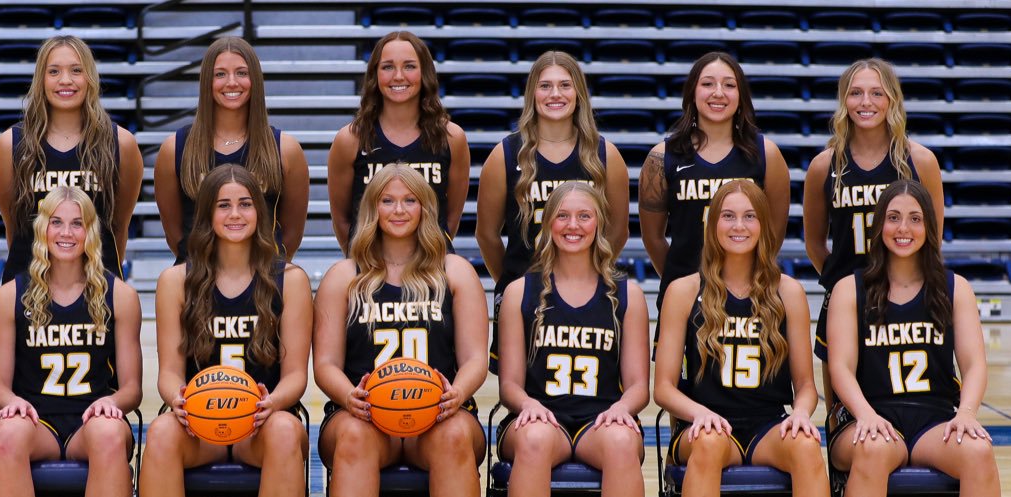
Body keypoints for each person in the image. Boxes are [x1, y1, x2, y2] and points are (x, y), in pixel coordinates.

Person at [314, 165, 489, 497]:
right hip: (362, 413)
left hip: (439, 412)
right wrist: (351, 397)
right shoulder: (344, 275)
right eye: (387, 201)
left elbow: (476, 358)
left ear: (425, 207)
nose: (398, 210)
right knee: (354, 434)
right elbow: (324, 364)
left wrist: (458, 394)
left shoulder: (455, 272)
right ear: (372, 208)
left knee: (454, 435)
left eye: (410, 200)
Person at [140, 165, 313, 497]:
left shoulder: (290, 280)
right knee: (161, 431)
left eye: (245, 204)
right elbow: (169, 374)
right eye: (223, 205)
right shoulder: (175, 281)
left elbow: (296, 377)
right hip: (199, 426)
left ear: (260, 213)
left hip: (262, 424)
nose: (235, 214)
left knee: (284, 432)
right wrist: (177, 400)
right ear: (207, 214)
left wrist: (271, 402)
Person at [653, 180, 827, 497]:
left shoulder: (788, 292)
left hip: (769, 425)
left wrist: (801, 413)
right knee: (709, 441)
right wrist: (698, 414)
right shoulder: (684, 290)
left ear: (763, 224)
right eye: (728, 216)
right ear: (712, 224)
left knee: (806, 444)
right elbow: (663, 388)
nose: (739, 226)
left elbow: (805, 386)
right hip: (703, 423)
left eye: (749, 216)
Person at [826, 180, 999, 497]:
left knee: (978, 451)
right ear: (879, 225)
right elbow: (840, 368)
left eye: (915, 219)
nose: (903, 228)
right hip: (866, 415)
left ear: (929, 227)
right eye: (893, 217)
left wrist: (967, 413)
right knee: (874, 447)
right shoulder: (849, 289)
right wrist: (866, 414)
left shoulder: (955, 288)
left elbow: (974, 365)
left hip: (933, 420)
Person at [0, 186, 142, 497]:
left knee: (109, 432)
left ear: (91, 232)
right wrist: (12, 403)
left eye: (77, 223)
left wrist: (112, 403)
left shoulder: (121, 296)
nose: (66, 233)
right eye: (56, 222)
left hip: (91, 420)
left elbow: (132, 389)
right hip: (36, 422)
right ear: (42, 228)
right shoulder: (9, 297)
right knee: (8, 432)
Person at [496, 182, 648, 497]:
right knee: (535, 438)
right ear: (549, 222)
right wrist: (527, 405)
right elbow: (509, 384)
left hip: (602, 420)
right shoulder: (518, 293)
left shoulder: (626, 294)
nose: (573, 225)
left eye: (584, 216)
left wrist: (622, 408)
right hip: (539, 416)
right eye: (563, 216)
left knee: (622, 442)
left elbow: (638, 386)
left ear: (599, 224)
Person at [803, 59, 944, 398]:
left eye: (876, 93)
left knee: (906, 407)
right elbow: (814, 243)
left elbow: (932, 240)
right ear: (843, 101)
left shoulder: (920, 161)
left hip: (904, 301)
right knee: (841, 413)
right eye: (855, 93)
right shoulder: (825, 165)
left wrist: (898, 286)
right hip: (844, 304)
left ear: (892, 100)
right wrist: (848, 288)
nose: (865, 102)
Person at [640, 51, 790, 312]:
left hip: (748, 295)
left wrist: (744, 279)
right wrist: (685, 283)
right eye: (707, 84)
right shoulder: (661, 158)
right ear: (692, 93)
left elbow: (773, 234)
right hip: (684, 299)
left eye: (729, 85)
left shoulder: (767, 154)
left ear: (741, 95)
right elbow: (653, 238)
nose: (718, 93)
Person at [0, 35, 144, 282]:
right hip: (28, 285)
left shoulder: (121, 143)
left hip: (98, 285)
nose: (65, 80)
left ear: (90, 78)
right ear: (41, 79)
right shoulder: (11, 144)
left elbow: (118, 227)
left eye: (76, 70)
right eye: (54, 71)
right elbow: (14, 227)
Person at [477, 50, 628, 294]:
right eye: (545, 85)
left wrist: (590, 275)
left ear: (578, 93)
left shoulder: (606, 155)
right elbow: (486, 235)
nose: (555, 94)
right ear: (532, 94)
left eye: (565, 85)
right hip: (522, 294)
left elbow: (618, 231)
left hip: (584, 293)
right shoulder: (504, 155)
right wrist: (514, 283)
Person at [154, 36, 309, 262]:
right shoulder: (175, 149)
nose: (232, 82)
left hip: (263, 280)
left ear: (255, 79)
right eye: (220, 74)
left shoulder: (285, 149)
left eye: (242, 73)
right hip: (198, 280)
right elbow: (175, 234)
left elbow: (292, 235)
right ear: (207, 80)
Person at [328, 31, 469, 253]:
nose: (399, 76)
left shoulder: (452, 138)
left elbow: (450, 219)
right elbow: (342, 220)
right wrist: (364, 262)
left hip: (431, 272)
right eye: (388, 67)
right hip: (370, 272)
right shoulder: (350, 139)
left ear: (425, 74)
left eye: (410, 66)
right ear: (375, 74)